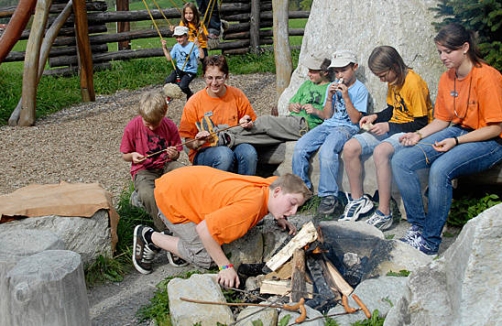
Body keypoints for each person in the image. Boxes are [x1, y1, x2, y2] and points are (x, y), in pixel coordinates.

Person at [392, 23, 502, 255]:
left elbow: (495, 128)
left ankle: (430, 243)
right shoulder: (447, 78)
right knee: (402, 161)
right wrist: (418, 134)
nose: (443, 57)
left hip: (490, 141)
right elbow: (442, 120)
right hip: (458, 130)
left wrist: (457, 142)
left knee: (440, 169)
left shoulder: (487, 77)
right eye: (440, 51)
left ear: (465, 47)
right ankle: (418, 228)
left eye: (447, 51)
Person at [132, 165, 312, 288]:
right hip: (172, 198)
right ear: (278, 192)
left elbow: (276, 181)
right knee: (206, 258)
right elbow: (204, 230)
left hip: (183, 185)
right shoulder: (250, 207)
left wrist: (279, 214)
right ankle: (150, 237)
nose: (294, 211)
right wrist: (224, 266)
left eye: (297, 207)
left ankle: (177, 242)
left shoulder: (270, 187)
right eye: (292, 203)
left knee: (210, 244)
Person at [340, 46, 433, 228]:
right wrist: (375, 117)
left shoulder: (414, 84)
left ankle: (384, 212)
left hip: (411, 132)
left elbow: (421, 123)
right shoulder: (393, 81)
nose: (382, 80)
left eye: (383, 75)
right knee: (350, 147)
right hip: (393, 127)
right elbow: (392, 109)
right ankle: (358, 200)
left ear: (395, 66)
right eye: (379, 77)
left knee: (381, 152)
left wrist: (388, 126)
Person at [292, 50, 370, 216]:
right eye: (336, 71)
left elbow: (356, 119)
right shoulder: (330, 86)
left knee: (328, 151)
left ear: (354, 67)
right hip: (329, 124)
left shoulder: (360, 90)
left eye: (343, 70)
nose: (339, 74)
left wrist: (346, 97)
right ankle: (301, 190)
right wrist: (329, 98)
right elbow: (327, 115)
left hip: (346, 127)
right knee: (300, 147)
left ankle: (329, 195)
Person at [220, 54, 332, 147]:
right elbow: (291, 104)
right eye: (309, 70)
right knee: (263, 137)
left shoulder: (330, 88)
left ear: (325, 72)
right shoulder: (307, 84)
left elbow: (329, 116)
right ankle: (227, 138)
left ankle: (223, 131)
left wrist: (316, 111)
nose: (308, 74)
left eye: (313, 71)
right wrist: (293, 106)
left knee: (266, 121)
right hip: (292, 120)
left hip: (306, 125)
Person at [179, 54, 258, 175]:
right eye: (209, 78)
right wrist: (197, 142)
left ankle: (244, 189)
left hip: (234, 143)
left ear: (226, 76)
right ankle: (218, 191)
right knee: (224, 155)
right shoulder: (194, 102)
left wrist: (248, 123)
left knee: (249, 152)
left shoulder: (237, 95)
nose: (214, 83)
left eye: (219, 78)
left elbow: (252, 121)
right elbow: (188, 141)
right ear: (203, 76)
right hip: (204, 151)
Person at [120, 90, 185, 231]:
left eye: (155, 124)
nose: (151, 127)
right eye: (148, 123)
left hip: (166, 165)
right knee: (147, 194)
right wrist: (132, 156)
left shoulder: (170, 126)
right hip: (143, 170)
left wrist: (173, 154)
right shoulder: (132, 127)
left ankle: (188, 217)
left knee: (186, 174)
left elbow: (177, 154)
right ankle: (164, 228)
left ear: (164, 114)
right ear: (141, 115)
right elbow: (125, 155)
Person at [161, 26, 204, 100]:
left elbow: (202, 56)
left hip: (190, 70)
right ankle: (171, 95)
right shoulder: (176, 46)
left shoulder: (192, 46)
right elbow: (169, 58)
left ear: (186, 36)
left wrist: (199, 46)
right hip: (179, 68)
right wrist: (164, 47)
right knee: (168, 81)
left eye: (180, 37)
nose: (178, 39)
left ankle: (189, 93)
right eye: (176, 37)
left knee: (182, 86)